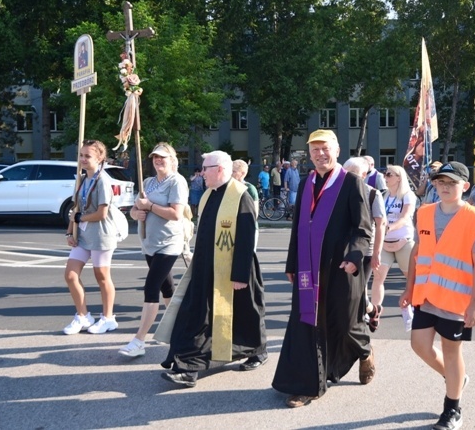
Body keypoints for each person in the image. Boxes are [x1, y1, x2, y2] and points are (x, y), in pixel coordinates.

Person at [272, 129, 373, 408]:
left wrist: (354, 256)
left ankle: (364, 351)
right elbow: (297, 228)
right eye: (314, 150)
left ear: (337, 150)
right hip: (308, 268)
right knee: (307, 323)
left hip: (341, 267)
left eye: (325, 148)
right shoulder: (306, 183)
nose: (320, 154)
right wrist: (292, 262)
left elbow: (363, 229)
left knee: (345, 323)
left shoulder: (351, 183)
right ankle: (307, 385)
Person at [155, 150, 267, 386]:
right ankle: (186, 364)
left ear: (220, 169)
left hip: (236, 269)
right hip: (206, 267)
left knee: (245, 315)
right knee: (196, 315)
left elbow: (246, 238)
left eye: (205, 168)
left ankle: (257, 351)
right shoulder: (209, 194)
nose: (201, 172)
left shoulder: (240, 196)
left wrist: (238, 275)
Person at [399, 161, 475, 430]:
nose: (445, 187)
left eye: (451, 183)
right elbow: (417, 254)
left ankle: (453, 409)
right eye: (440, 182)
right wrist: (408, 287)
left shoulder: (474, 218)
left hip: (456, 301)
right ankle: (456, 379)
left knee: (451, 353)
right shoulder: (424, 213)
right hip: (425, 295)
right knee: (419, 346)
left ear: (465, 186)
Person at [118, 142, 188, 357]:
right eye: (155, 157)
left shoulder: (177, 182)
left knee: (151, 288)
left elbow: (176, 214)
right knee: (167, 288)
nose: (158, 161)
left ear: (172, 160)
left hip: (169, 242)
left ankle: (139, 341)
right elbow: (134, 209)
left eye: (162, 157)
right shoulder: (147, 182)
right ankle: (181, 330)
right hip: (149, 242)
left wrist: (149, 207)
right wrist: (136, 213)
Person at [63, 140, 118, 335]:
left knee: (102, 277)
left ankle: (108, 318)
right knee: (70, 275)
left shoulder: (102, 180)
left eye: (88, 156)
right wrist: (70, 231)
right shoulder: (81, 180)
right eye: (81, 155)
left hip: (101, 234)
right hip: (83, 234)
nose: (83, 159)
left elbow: (102, 214)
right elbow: (75, 208)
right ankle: (83, 315)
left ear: (99, 158)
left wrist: (79, 218)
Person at [343, 157, 386, 331]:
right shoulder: (338, 192)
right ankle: (371, 310)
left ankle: (363, 320)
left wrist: (377, 252)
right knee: (348, 290)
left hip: (365, 251)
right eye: (346, 173)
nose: (347, 176)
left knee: (358, 290)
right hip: (343, 249)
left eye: (352, 173)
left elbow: (381, 223)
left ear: (363, 174)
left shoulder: (372, 193)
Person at [370, 165, 416, 316]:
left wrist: (388, 228)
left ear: (399, 177)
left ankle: (416, 307)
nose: (385, 177)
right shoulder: (382, 195)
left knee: (410, 277)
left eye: (389, 174)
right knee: (378, 276)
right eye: (385, 174)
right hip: (385, 242)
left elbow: (404, 217)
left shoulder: (407, 195)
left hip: (403, 240)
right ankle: (375, 311)